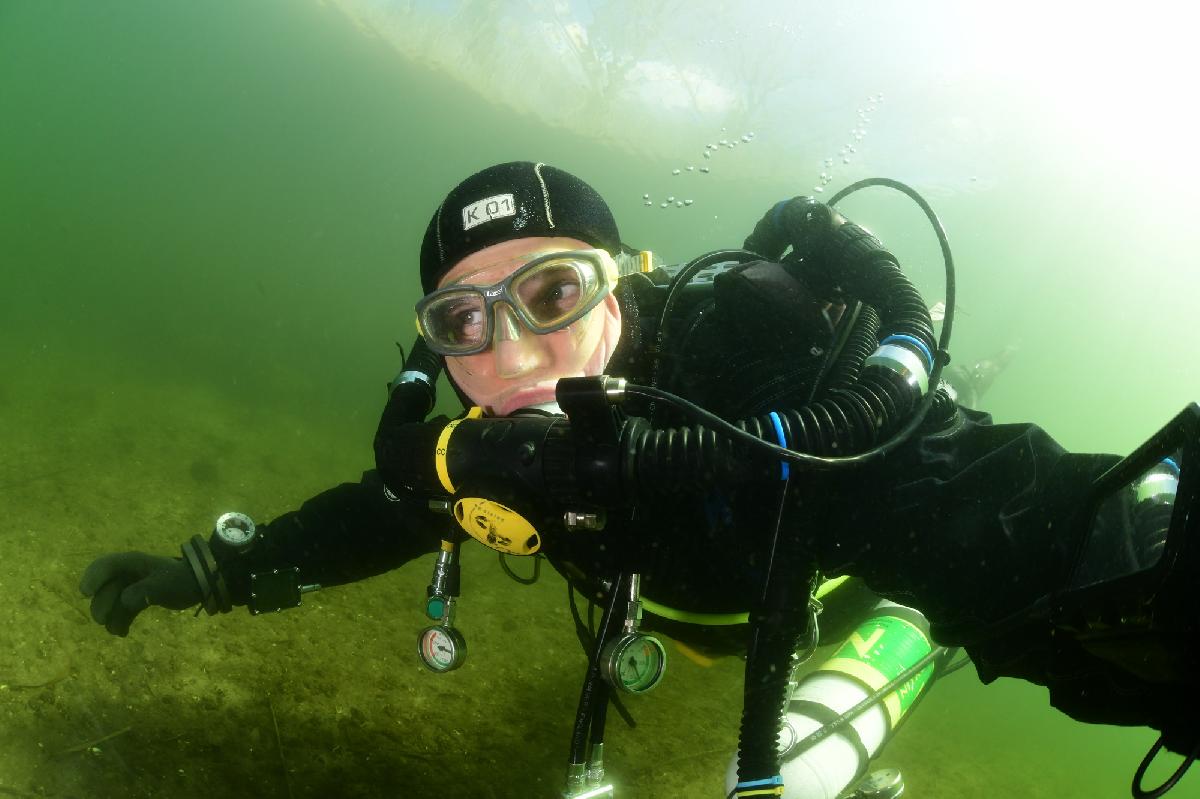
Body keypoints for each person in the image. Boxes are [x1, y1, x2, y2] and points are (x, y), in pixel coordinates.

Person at [80, 162, 1198, 798]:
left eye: (552, 295)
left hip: (844, 598)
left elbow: (1019, 515)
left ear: (617, 287)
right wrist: (215, 571)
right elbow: (388, 510)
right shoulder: (486, 439)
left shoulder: (756, 368)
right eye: (463, 320)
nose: (510, 356)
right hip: (699, 615)